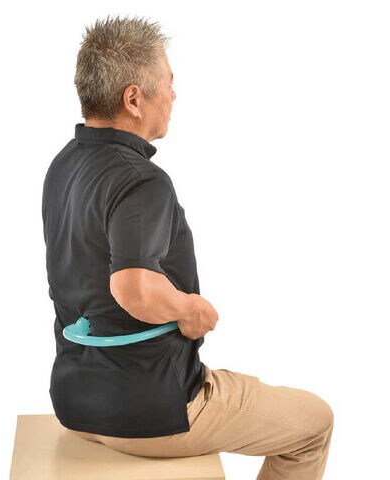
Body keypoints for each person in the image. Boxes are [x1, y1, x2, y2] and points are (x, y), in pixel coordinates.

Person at [41, 14, 334, 479]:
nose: (174, 95)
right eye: (168, 82)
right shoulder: (142, 181)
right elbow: (133, 288)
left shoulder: (64, 166)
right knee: (314, 423)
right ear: (133, 99)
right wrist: (189, 309)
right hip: (150, 408)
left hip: (74, 400)